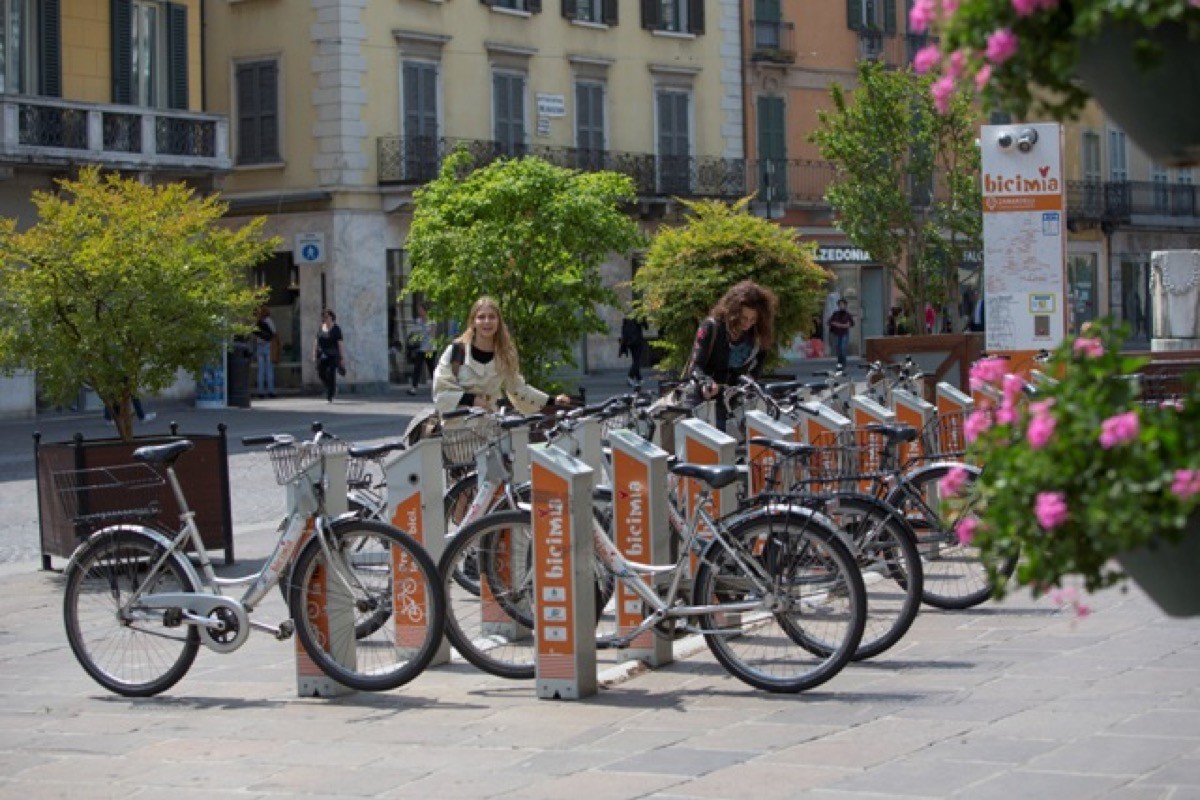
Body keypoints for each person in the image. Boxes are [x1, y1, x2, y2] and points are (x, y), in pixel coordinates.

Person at [432, 296, 571, 414]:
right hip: (457, 430)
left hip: (489, 425)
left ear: (498, 322)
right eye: (481, 317)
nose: (487, 321)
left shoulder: (504, 354)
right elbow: (441, 391)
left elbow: (519, 390)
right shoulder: (456, 350)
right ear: (473, 322)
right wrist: (472, 400)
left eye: (492, 317)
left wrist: (552, 401)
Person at [684, 280, 779, 432]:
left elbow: (755, 374)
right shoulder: (711, 327)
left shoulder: (757, 337)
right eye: (743, 318)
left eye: (753, 320)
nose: (748, 324)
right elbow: (696, 366)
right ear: (733, 312)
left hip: (733, 405)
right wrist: (706, 382)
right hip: (703, 402)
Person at [314, 308, 347, 402]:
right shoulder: (321, 328)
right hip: (323, 354)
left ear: (332, 317)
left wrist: (342, 358)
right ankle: (331, 387)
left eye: (327, 317)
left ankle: (330, 396)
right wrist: (314, 353)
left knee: (331, 372)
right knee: (321, 373)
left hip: (333, 354)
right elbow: (316, 341)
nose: (325, 319)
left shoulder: (336, 329)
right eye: (324, 317)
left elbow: (340, 343)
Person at [407, 305, 437, 396]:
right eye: (418, 309)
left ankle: (438, 387)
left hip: (429, 350)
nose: (419, 311)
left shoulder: (432, 321)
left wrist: (429, 345)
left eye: (420, 309)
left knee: (431, 368)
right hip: (420, 349)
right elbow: (414, 332)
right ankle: (414, 388)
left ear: (425, 310)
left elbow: (433, 335)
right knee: (417, 368)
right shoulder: (418, 321)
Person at [252, 305, 277, 399]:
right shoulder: (269, 321)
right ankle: (271, 391)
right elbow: (274, 332)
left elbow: (254, 334)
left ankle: (260, 391)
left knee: (261, 370)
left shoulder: (257, 322)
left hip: (259, 346)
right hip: (268, 345)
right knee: (269, 369)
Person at [619, 316, 647, 388]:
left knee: (635, 359)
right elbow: (646, 326)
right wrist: (644, 319)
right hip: (637, 341)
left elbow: (623, 331)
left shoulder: (627, 318)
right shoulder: (639, 317)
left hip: (629, 343)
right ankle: (630, 377)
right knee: (637, 361)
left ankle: (639, 378)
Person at [828, 298, 855, 369]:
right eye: (840, 305)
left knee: (843, 348)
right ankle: (839, 363)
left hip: (844, 333)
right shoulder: (835, 314)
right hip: (837, 333)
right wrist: (837, 324)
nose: (841, 306)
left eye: (843, 305)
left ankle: (843, 363)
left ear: (845, 306)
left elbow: (851, 323)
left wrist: (845, 325)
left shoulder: (847, 314)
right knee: (838, 348)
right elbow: (830, 322)